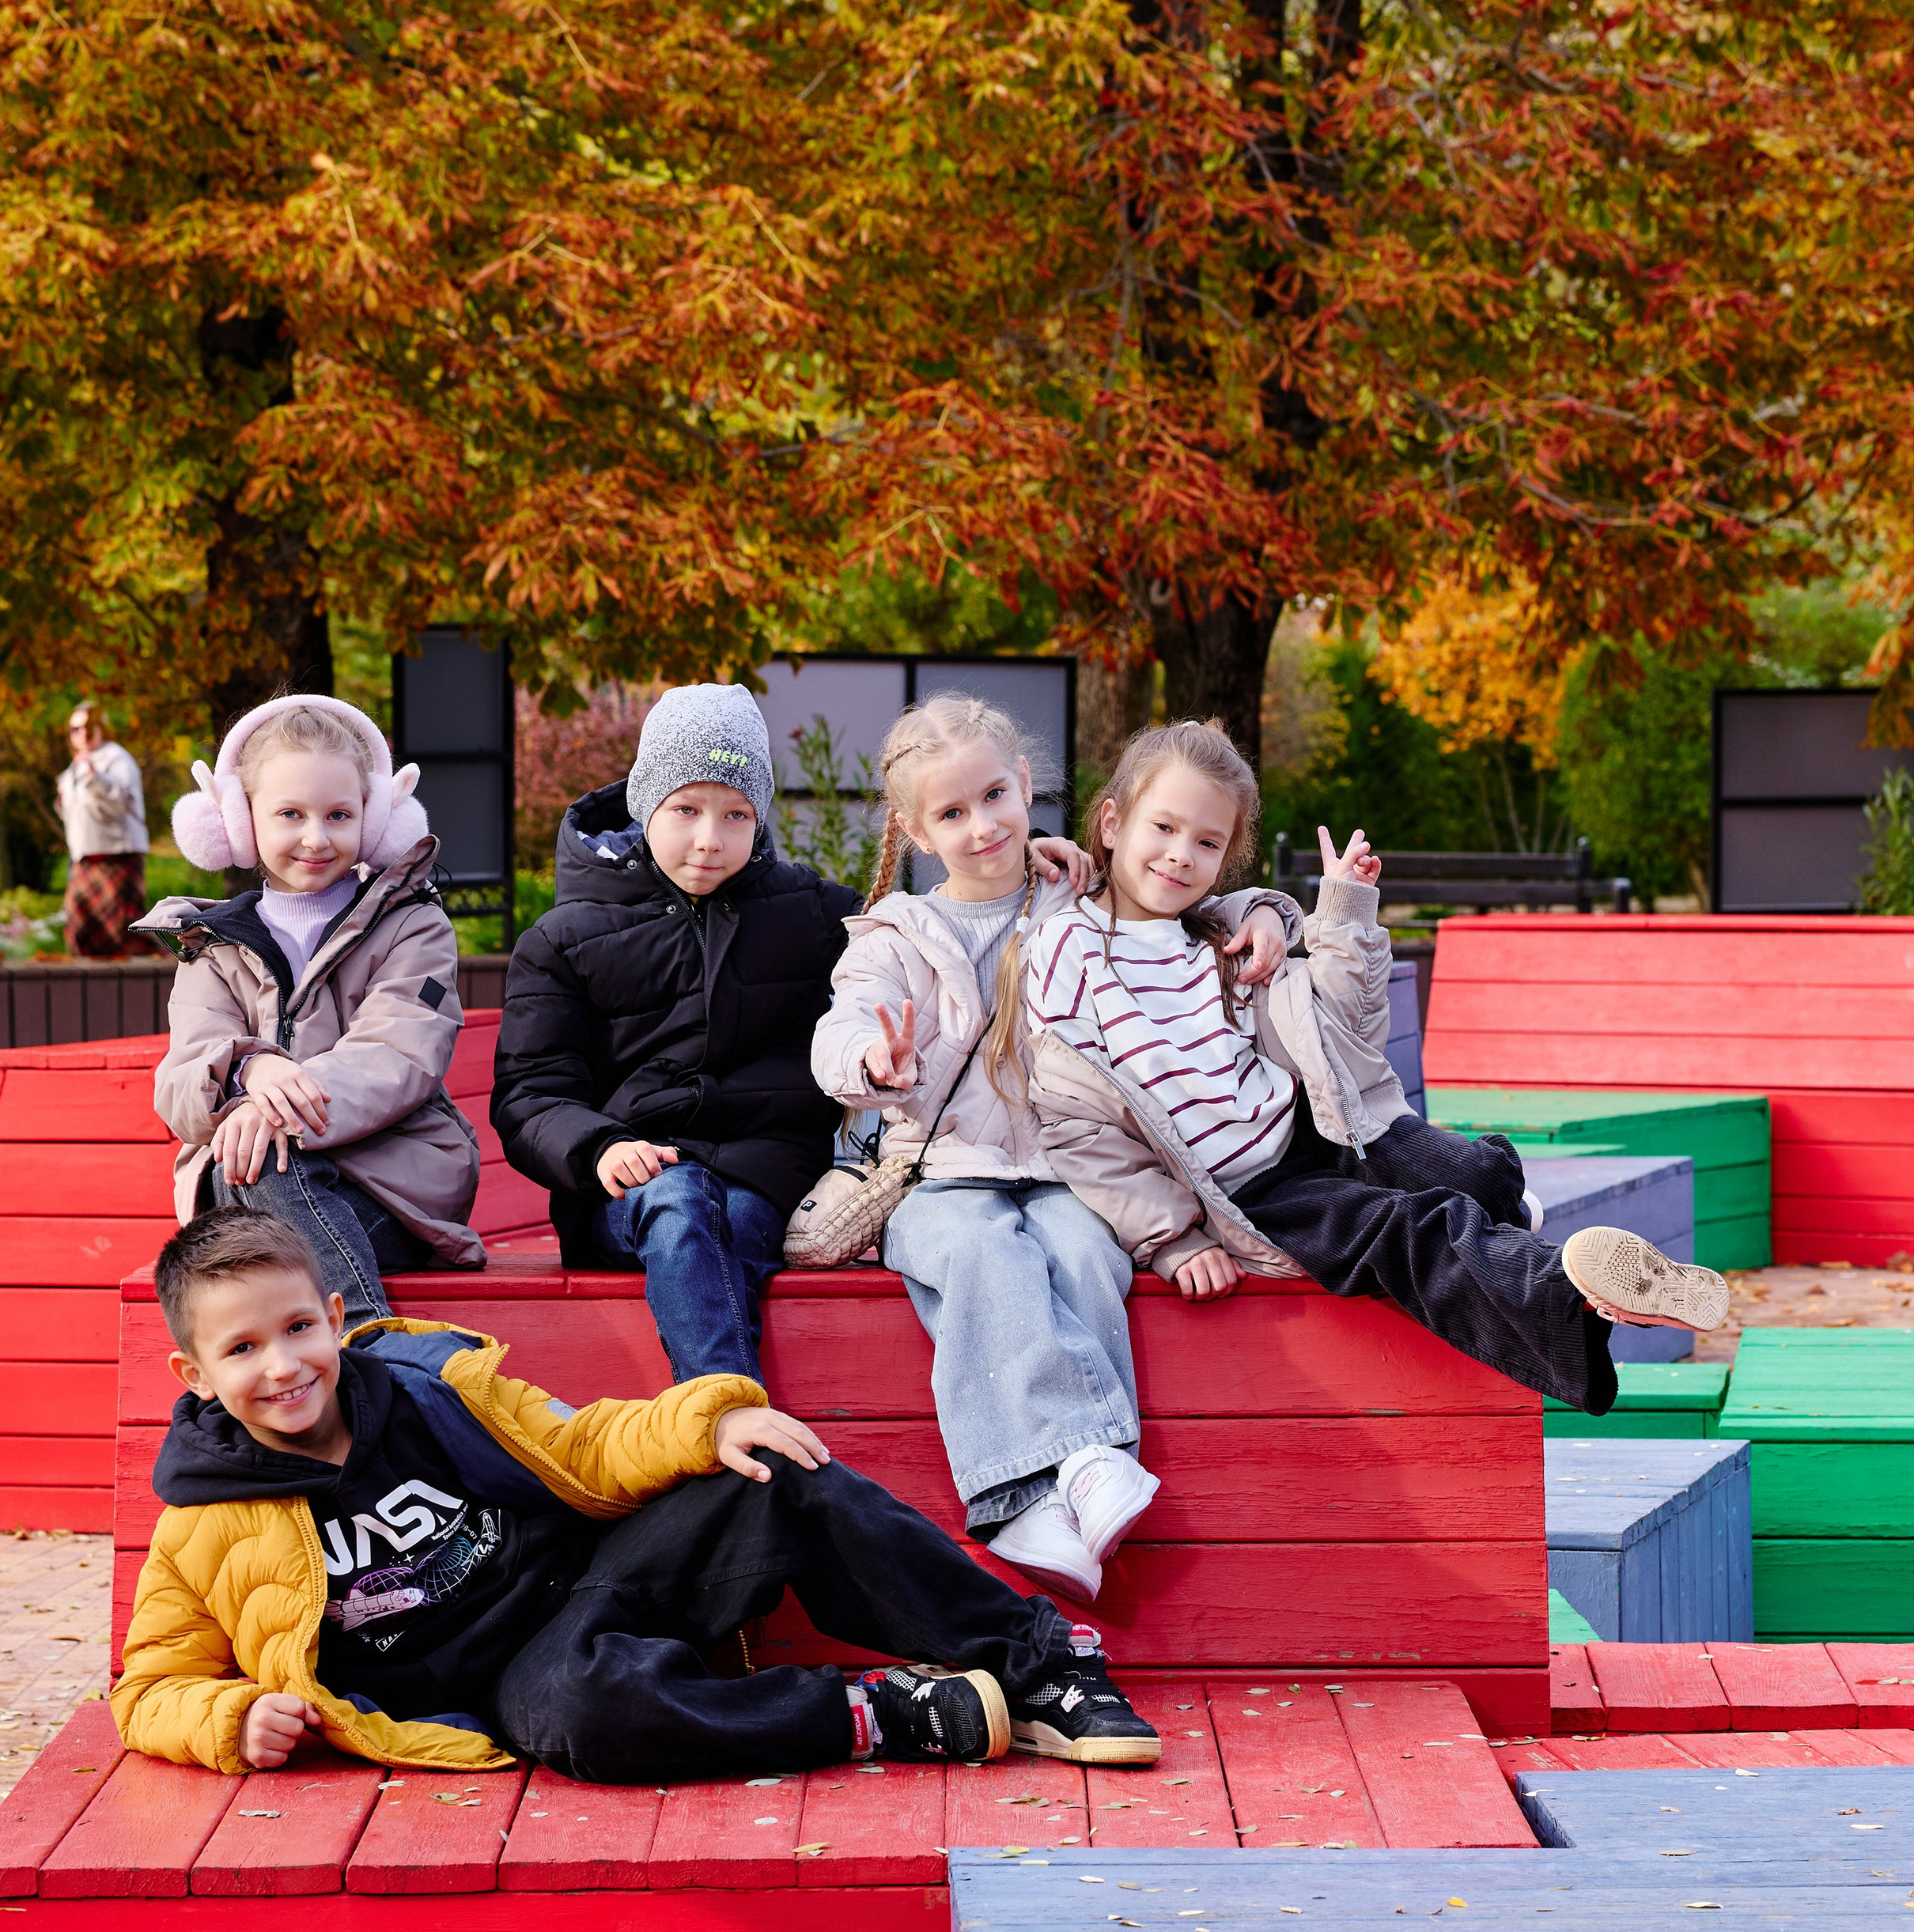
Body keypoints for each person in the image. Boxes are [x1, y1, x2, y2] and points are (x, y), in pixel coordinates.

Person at [110, 1207, 1161, 1778]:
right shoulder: (201, 1522)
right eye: (242, 1349)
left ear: (333, 1316)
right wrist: (228, 1717)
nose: (283, 1364)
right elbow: (148, 1685)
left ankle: (1041, 1669)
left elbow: (586, 1440)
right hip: (513, 1680)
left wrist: (711, 1420)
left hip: (590, 1577)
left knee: (776, 1474)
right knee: (590, 1716)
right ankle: (881, 1719)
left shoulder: (429, 1386)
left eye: (298, 1328)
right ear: (195, 1376)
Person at [1023, 718, 1730, 1415]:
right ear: (1111, 824)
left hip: (1313, 1126)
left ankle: (1522, 1233)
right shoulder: (1067, 948)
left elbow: (1346, 1025)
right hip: (1250, 1189)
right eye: (1164, 829)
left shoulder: (1223, 933)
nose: (1181, 855)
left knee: (1470, 1173)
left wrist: (1345, 907)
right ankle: (1577, 1294)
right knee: (1414, 1230)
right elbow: (1079, 1125)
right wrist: (1171, 1237)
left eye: (1207, 842)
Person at [811, 690, 1298, 1610]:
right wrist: (871, 1060)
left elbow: (1183, 892)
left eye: (994, 797)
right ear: (917, 833)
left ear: (1026, 787)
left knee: (1082, 1253)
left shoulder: (1072, 893)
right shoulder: (896, 935)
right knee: (983, 1256)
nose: (982, 825)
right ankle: (1064, 1477)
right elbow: (842, 1026)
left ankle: (1052, 1497)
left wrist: (1269, 909)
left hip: (1066, 1171)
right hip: (942, 1179)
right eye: (951, 814)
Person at [491, 682, 1092, 1391]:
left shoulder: (811, 916)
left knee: (732, 1222)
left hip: (760, 1179)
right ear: (645, 802)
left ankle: (724, 1427)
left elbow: (932, 921)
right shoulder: (566, 938)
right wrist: (598, 1147)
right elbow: (531, 1092)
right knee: (681, 1205)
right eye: (685, 809)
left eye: (736, 814)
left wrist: (1028, 862)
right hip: (626, 1191)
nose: (710, 838)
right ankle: (729, 1419)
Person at [136, 695, 481, 1328]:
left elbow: (399, 1053)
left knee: (261, 1194)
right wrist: (250, 1074)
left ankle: (369, 1348)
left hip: (388, 1189)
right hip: (247, 1185)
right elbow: (183, 1080)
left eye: (339, 814)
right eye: (290, 814)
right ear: (240, 823)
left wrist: (274, 1111)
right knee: (252, 1184)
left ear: (376, 821)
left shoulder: (414, 927)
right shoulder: (208, 946)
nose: (316, 837)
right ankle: (380, 1361)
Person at [55, 701, 149, 957]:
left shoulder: (117, 759)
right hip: (85, 861)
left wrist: (98, 778)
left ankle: (156, 985)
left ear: (101, 728)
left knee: (122, 934)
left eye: (88, 727)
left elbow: (124, 805)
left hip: (117, 858)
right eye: (75, 730)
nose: (82, 735)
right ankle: (87, 993)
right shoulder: (75, 766)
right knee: (79, 930)